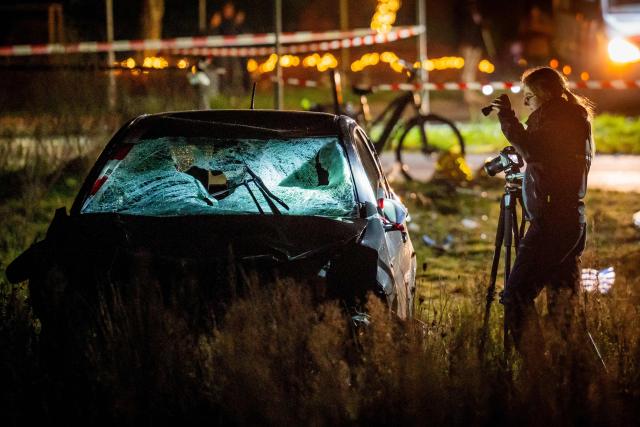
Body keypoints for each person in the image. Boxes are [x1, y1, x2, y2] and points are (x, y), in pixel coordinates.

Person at [490, 66, 595, 363]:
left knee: (516, 297)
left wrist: (507, 118)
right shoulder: (571, 117)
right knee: (563, 305)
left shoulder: (559, 118)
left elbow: (532, 149)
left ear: (546, 94)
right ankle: (572, 371)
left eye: (529, 96)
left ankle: (537, 368)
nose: (526, 103)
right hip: (569, 220)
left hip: (552, 224)